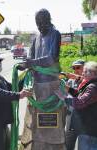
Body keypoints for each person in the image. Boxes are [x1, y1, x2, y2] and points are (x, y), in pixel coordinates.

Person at [20, 8, 66, 150]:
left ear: (48, 20)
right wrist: (25, 64)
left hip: (51, 84)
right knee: (37, 124)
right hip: (38, 85)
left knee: (53, 119)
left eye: (42, 22)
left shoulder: (55, 34)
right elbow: (31, 58)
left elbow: (52, 57)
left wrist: (32, 63)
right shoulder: (36, 38)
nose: (39, 26)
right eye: (37, 23)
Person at [56, 61, 97, 150]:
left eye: (85, 71)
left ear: (93, 73)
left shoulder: (92, 86)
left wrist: (64, 97)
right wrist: (68, 89)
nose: (83, 73)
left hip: (89, 129)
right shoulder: (90, 84)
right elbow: (80, 95)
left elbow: (80, 102)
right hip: (87, 127)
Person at [65, 59, 85, 150]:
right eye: (74, 68)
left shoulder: (88, 81)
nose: (75, 70)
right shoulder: (70, 81)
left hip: (84, 119)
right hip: (71, 116)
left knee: (84, 145)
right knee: (68, 144)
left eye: (78, 67)